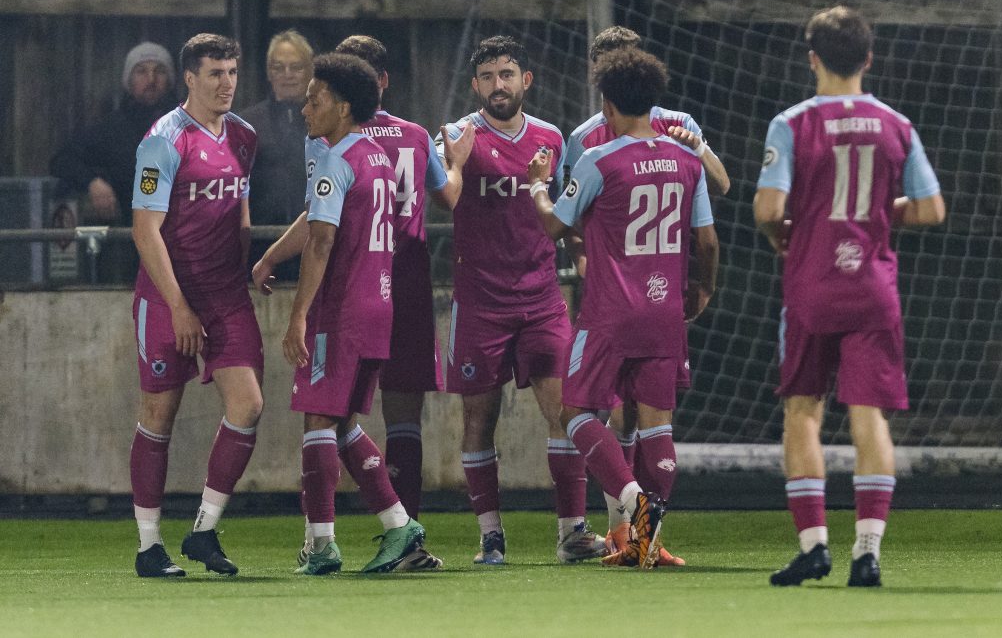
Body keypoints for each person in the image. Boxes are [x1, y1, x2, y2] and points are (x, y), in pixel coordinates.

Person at [754, 6, 945, 587]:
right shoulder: (896, 125)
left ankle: (814, 546)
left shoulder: (792, 123)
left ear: (812, 58)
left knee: (803, 414)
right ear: (868, 58)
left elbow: (768, 208)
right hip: (872, 289)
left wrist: (783, 236)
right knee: (869, 417)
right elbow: (934, 209)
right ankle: (868, 552)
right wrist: (877, 217)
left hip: (812, 286)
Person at [529, 47, 719, 569]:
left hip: (610, 313)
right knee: (658, 424)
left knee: (575, 413)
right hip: (665, 311)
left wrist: (536, 187)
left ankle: (635, 502)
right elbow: (707, 241)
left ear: (607, 105)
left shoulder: (598, 159)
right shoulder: (686, 160)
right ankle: (648, 542)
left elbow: (555, 225)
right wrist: (702, 289)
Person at [436, 35, 605, 564]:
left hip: (541, 298)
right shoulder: (458, 135)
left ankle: (571, 533)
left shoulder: (552, 138)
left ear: (525, 80)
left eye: (506, 74)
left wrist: (586, 264)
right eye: (487, 77)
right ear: (475, 85)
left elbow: (567, 214)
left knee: (566, 413)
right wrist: (455, 160)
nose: (497, 85)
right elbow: (447, 201)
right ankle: (490, 535)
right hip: (479, 302)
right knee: (478, 421)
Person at [286, 52, 440, 575]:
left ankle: (323, 545)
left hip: (343, 309)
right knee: (346, 422)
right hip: (381, 304)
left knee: (318, 419)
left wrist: (298, 315)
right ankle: (400, 526)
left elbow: (322, 240)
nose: (306, 108)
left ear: (344, 106)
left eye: (316, 99)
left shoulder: (335, 159)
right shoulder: (376, 156)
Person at [129, 34, 263, 578]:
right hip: (168, 298)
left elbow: (242, 213)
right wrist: (180, 307)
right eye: (215, 73)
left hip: (226, 295)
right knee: (159, 417)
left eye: (232, 71)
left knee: (248, 405)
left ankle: (204, 531)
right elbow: (145, 230)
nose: (226, 82)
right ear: (190, 78)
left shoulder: (245, 136)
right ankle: (148, 546)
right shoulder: (163, 140)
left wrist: (249, 263)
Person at [50, 41, 178, 282]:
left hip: (182, 244)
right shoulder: (110, 130)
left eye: (159, 71)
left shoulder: (188, 126)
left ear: (170, 80)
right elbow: (61, 160)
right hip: (127, 250)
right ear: (129, 81)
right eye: (141, 71)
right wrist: (93, 183)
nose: (151, 79)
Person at [240, 30, 315, 281]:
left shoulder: (328, 120)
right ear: (269, 73)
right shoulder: (248, 124)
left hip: (316, 245)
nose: (287, 75)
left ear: (310, 71)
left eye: (296, 67)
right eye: (279, 67)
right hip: (262, 248)